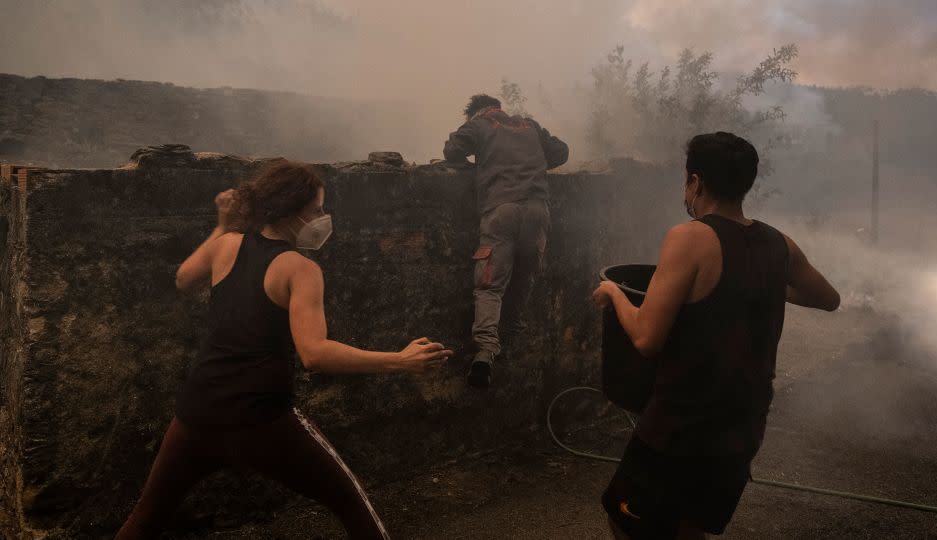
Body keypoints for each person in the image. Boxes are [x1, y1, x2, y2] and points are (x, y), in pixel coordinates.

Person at [116, 161, 452, 539]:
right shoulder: (299, 269)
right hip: (261, 419)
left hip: (198, 412)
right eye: (317, 211)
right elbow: (315, 354)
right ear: (291, 211)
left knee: (145, 520)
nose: (324, 219)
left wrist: (222, 226)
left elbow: (182, 279)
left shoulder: (226, 246)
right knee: (354, 507)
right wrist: (401, 361)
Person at [592, 132, 840, 539]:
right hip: (742, 432)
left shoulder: (689, 237)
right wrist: (762, 284)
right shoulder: (779, 244)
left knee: (626, 522)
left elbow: (646, 338)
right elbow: (828, 298)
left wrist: (614, 294)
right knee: (690, 527)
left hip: (680, 430)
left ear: (696, 182)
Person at [443, 94, 569, 387]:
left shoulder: (479, 125)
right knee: (523, 278)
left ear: (475, 112)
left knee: (490, 285)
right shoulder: (530, 126)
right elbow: (561, 152)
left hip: (501, 211)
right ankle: (512, 342)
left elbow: (451, 151)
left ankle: (486, 351)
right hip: (538, 212)